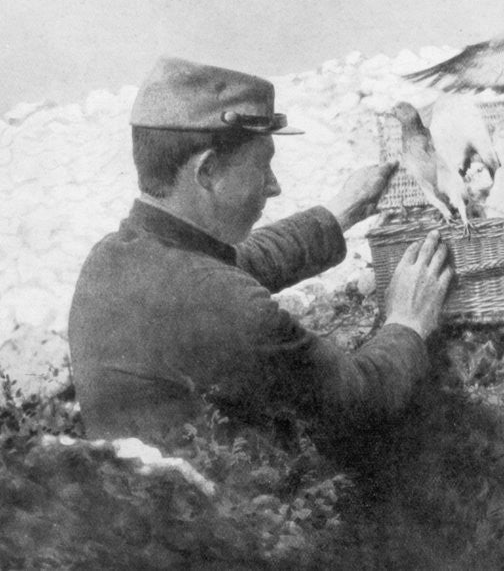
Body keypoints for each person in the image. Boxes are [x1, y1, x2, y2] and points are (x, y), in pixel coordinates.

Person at [68, 56, 453, 449]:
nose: (274, 186)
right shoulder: (218, 300)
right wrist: (407, 322)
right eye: (263, 166)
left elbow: (242, 262)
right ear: (207, 171)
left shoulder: (113, 259)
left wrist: (341, 212)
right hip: (212, 489)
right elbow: (359, 398)